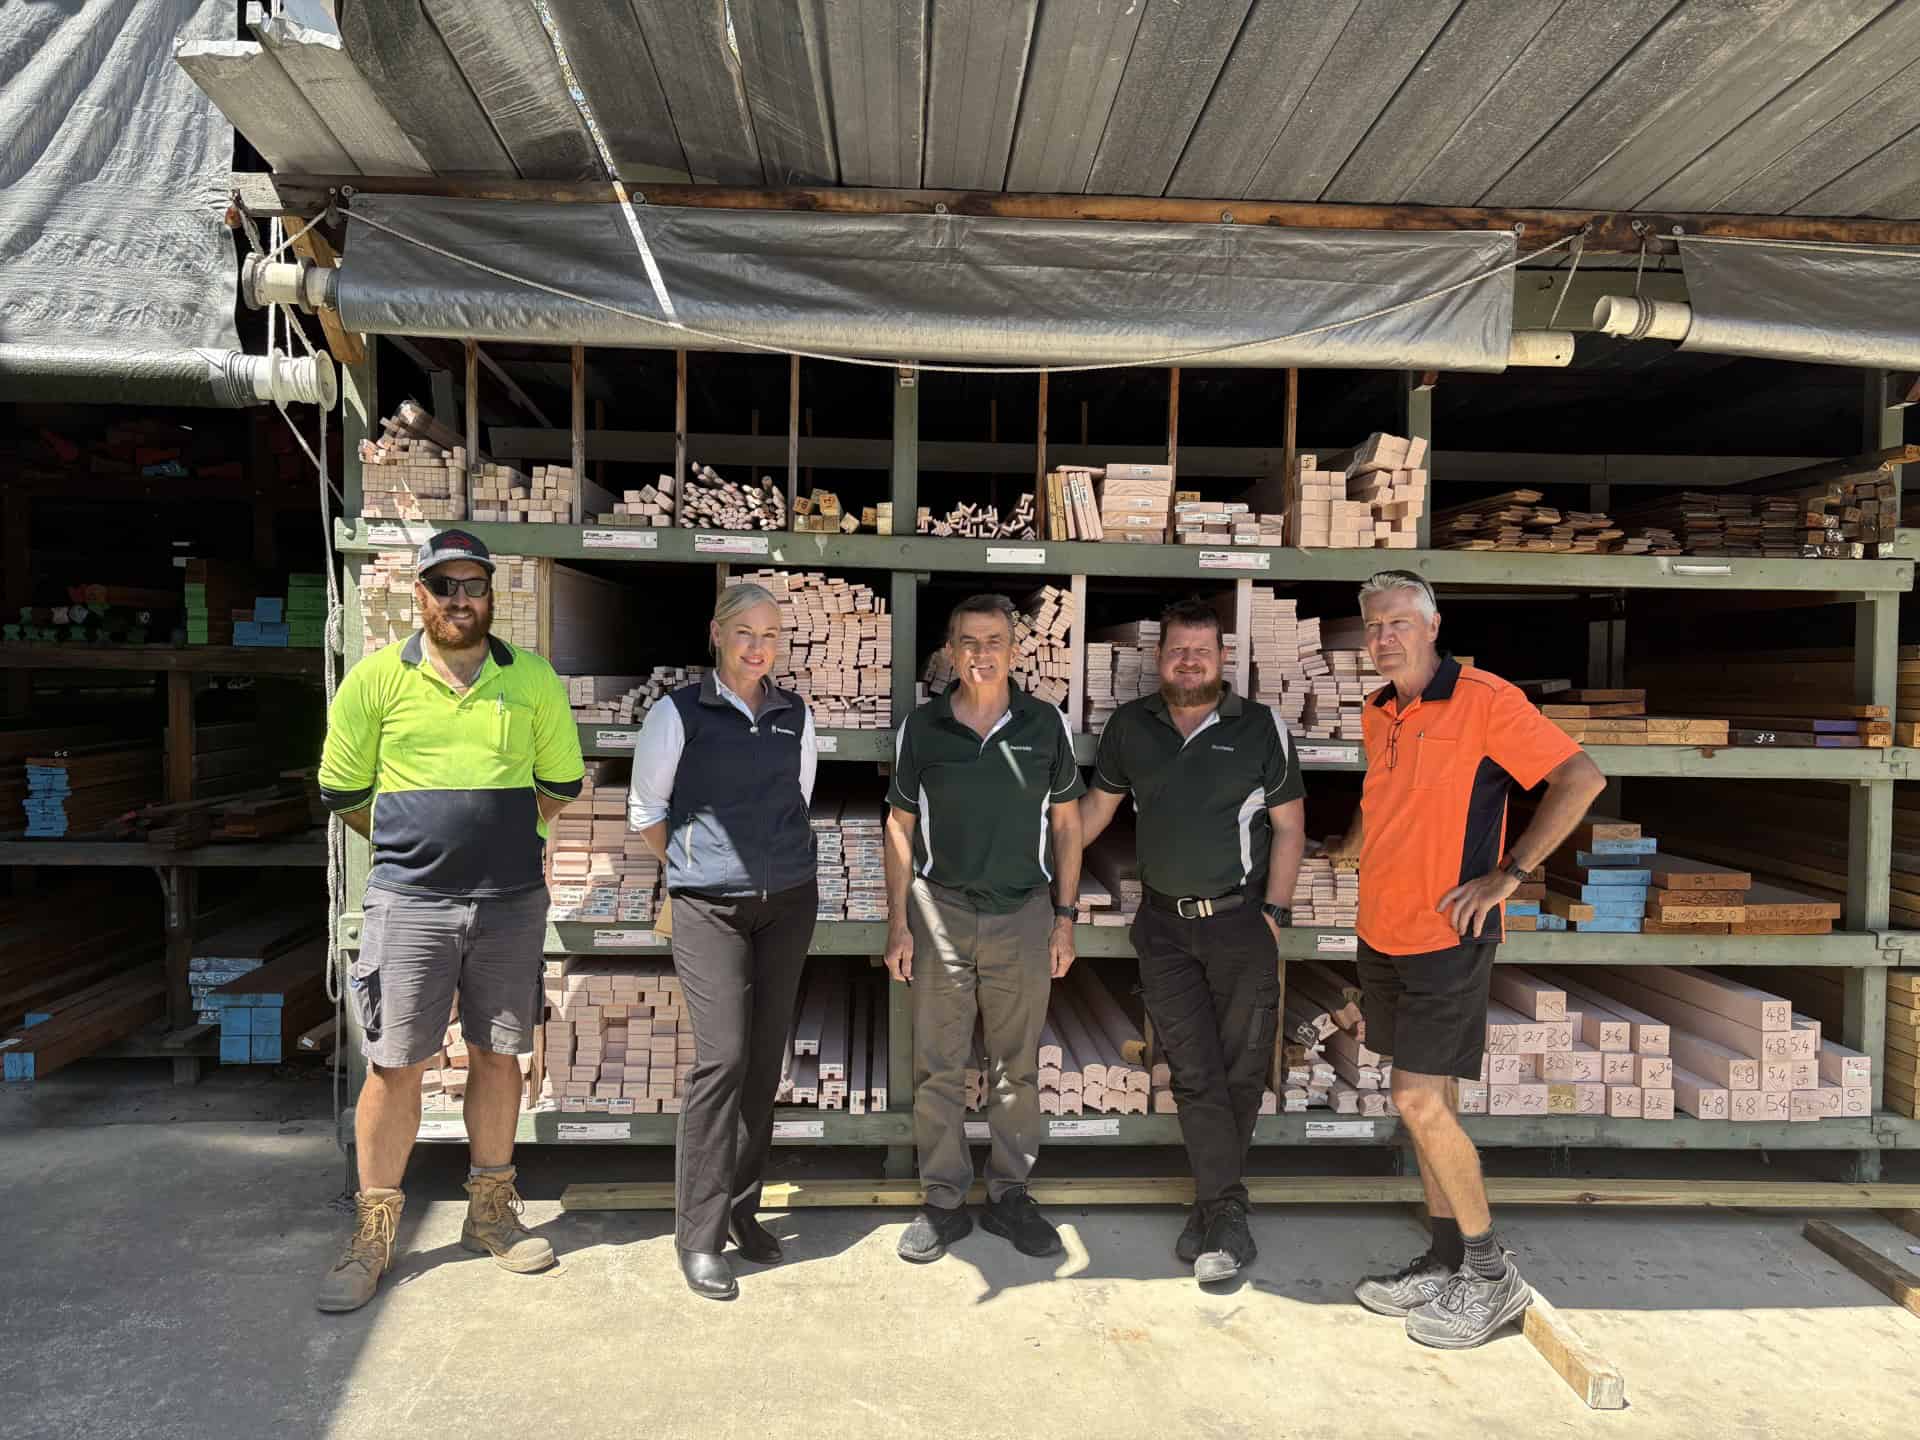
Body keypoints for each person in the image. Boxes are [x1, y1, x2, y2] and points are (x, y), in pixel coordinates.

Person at [315, 529, 585, 1313]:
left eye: (472, 585)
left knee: (499, 1054)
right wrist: (418, 843)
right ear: (418, 595)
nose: (459, 599)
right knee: (396, 1064)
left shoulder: (530, 679)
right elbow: (342, 792)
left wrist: (502, 839)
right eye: (444, 586)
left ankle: (490, 1212)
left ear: (491, 596)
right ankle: (374, 1232)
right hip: (409, 903)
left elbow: (559, 783)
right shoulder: (374, 681)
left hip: (508, 902)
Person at [1337, 570, 1604, 1349]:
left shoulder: (1486, 699)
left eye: (1398, 623)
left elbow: (1581, 778)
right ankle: (1445, 1258)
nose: (1385, 637)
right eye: (1374, 626)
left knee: (1416, 1102)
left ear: (1432, 624)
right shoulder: (1378, 709)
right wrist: (1352, 848)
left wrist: (1510, 875)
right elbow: (1382, 802)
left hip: (1446, 937)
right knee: (1431, 1104)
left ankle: (1492, 1277)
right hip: (1382, 931)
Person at [1078, 596, 1306, 1285]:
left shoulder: (1262, 727)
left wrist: (1275, 913)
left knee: (1240, 1071)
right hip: (1165, 925)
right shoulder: (1131, 727)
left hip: (1240, 922)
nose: (1189, 661)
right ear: (1160, 657)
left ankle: (1215, 1209)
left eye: (1201, 651)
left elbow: (1290, 827)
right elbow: (1095, 811)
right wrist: (1039, 866)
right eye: (1178, 650)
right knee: (1196, 1070)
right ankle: (1224, 1213)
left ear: (1222, 658)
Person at [627, 581, 819, 1300]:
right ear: (716, 632)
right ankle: (698, 1237)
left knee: (763, 1063)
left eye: (770, 635)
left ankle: (744, 1213)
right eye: (745, 632)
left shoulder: (795, 713)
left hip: (788, 904)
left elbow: (797, 799)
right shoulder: (678, 714)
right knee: (723, 1059)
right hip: (710, 908)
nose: (757, 647)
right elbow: (648, 808)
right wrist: (694, 864)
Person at [883, 593, 1085, 1263]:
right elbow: (900, 825)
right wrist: (898, 924)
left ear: (1015, 648)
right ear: (948, 651)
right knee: (938, 1066)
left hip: (1023, 915)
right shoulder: (924, 727)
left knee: (1014, 1069)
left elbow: (1066, 823)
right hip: (940, 913)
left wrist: (1064, 918)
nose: (981, 653)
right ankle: (942, 1200)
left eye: (994, 639)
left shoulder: (1043, 723)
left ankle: (1009, 1197)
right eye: (968, 641)